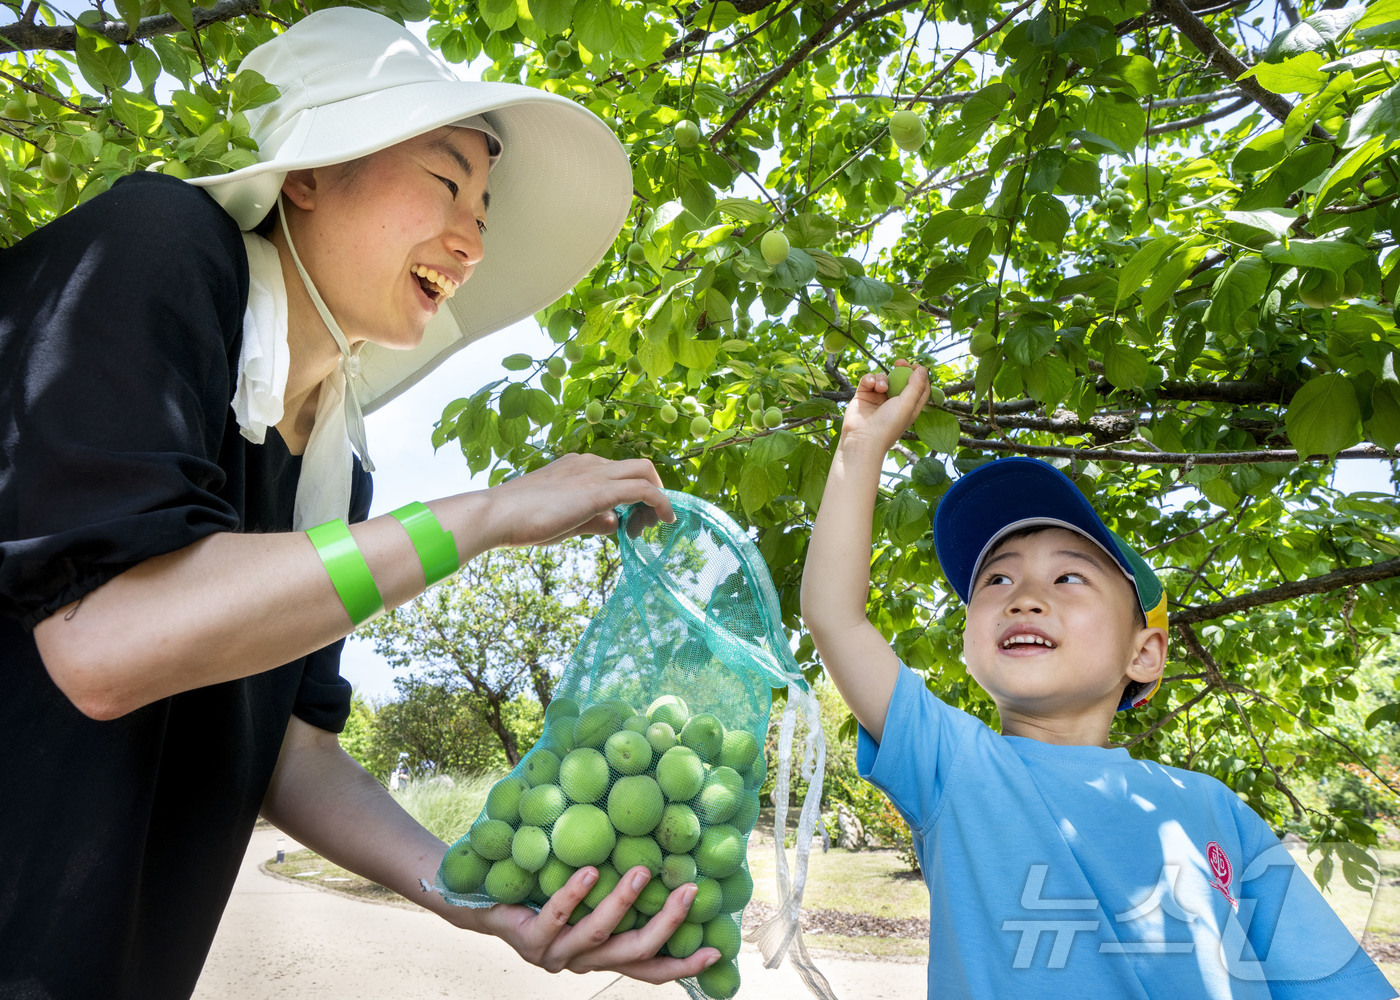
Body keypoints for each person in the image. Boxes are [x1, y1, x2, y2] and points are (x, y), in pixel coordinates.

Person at [0, 9, 721, 998]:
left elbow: (291, 750)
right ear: (306, 170)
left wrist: (465, 891)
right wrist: (482, 515)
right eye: (446, 179)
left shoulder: (337, 465)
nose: (471, 238)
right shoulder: (158, 242)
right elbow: (105, 641)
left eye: (485, 210)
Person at [800, 362, 1396, 999]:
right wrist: (861, 448)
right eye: (996, 579)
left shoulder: (1213, 807)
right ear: (969, 644)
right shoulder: (955, 765)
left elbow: (1326, 981)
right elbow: (834, 616)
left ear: (1143, 654)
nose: (1023, 597)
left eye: (1068, 578)